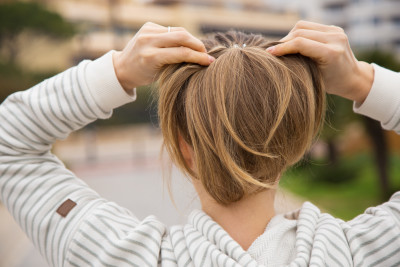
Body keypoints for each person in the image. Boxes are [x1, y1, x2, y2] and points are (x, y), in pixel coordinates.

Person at [0, 20, 399, 267]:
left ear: (181, 145)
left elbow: (10, 142)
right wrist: (360, 80)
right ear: (295, 143)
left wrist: (119, 70)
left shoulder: (119, 255)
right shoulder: (363, 251)